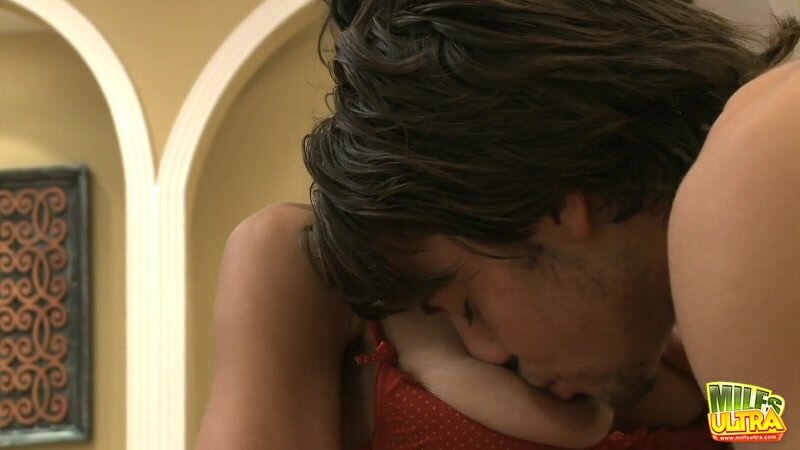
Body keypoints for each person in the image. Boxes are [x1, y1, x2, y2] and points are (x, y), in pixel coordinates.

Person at [194, 1, 800, 449]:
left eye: (469, 306)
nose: (484, 347)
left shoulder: (736, 208)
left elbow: (765, 425)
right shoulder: (312, 264)